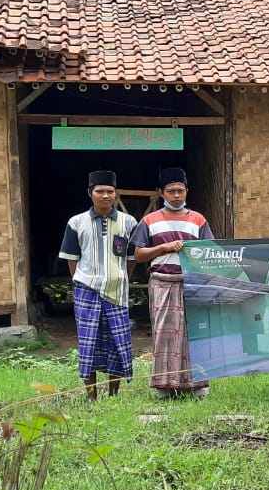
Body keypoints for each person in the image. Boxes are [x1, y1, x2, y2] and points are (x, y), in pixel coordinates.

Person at [131, 168, 216, 399]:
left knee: (196, 332)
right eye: (170, 191)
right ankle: (165, 387)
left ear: (187, 191)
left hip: (191, 283)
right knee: (164, 333)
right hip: (162, 281)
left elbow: (210, 252)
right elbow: (138, 255)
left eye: (180, 190)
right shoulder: (149, 221)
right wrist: (163, 248)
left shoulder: (198, 220)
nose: (176, 195)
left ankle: (198, 386)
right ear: (161, 193)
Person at [59, 171, 139, 401]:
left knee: (117, 342)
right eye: (99, 191)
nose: (105, 195)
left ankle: (113, 394)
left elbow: (131, 259)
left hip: (117, 291)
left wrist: (121, 278)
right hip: (86, 290)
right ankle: (91, 396)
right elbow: (72, 259)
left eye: (110, 191)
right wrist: (82, 281)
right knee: (88, 342)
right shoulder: (76, 222)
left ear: (116, 194)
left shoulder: (128, 222)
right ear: (90, 193)